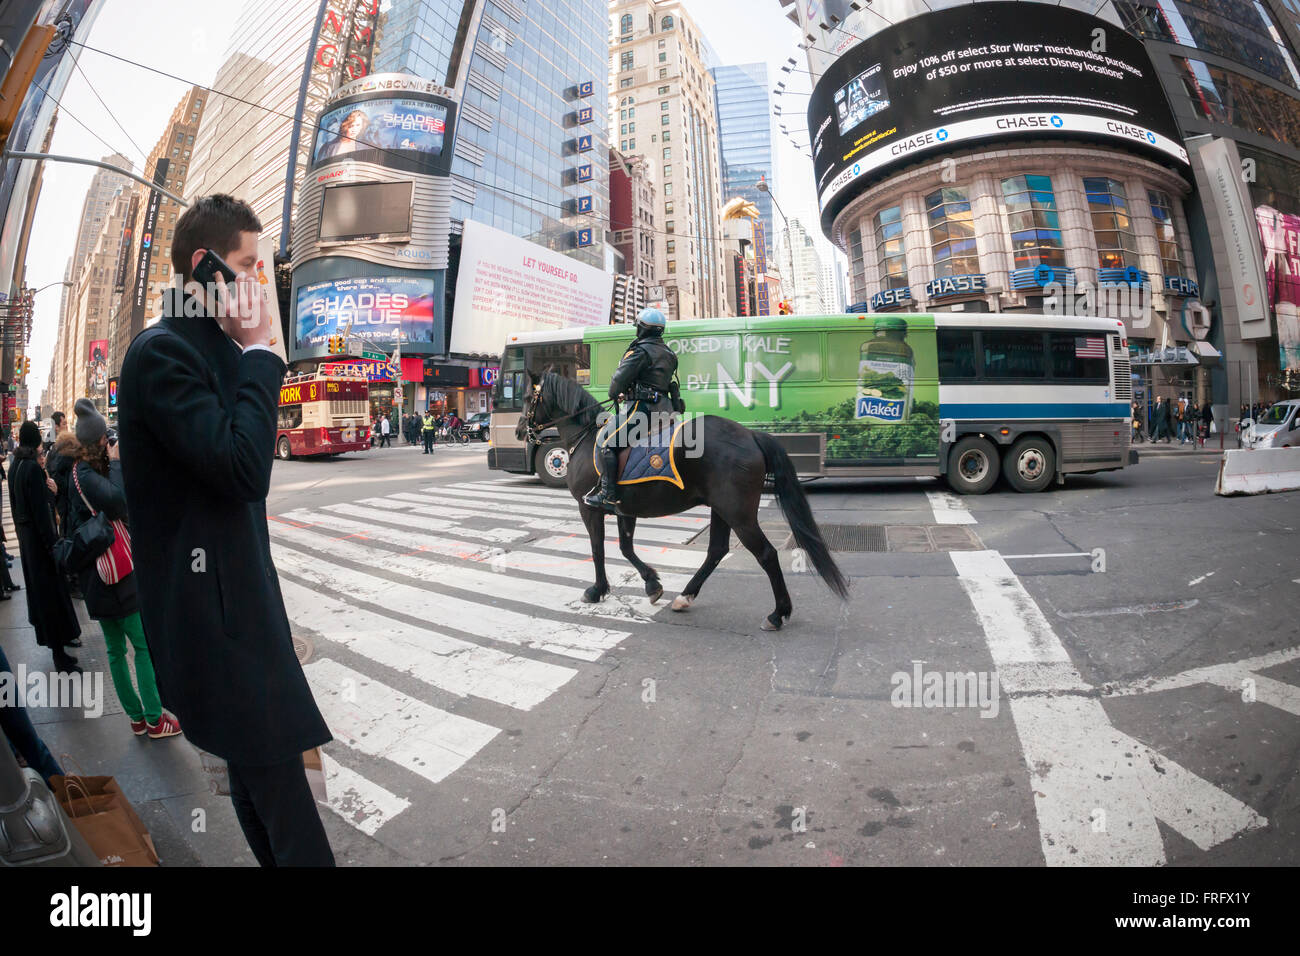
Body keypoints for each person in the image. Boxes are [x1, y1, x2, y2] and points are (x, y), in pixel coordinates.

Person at [117, 193, 333, 866]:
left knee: (259, 779)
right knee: (285, 802)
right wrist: (265, 351)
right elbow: (243, 470)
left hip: (236, 614)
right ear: (205, 268)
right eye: (247, 265)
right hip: (217, 627)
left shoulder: (205, 346)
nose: (258, 282)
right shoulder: (163, 354)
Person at [66, 399, 180, 739]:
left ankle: (136, 718)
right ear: (98, 440)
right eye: (105, 439)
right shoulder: (86, 475)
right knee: (141, 647)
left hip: (94, 576)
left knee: (115, 650)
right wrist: (115, 462)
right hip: (114, 575)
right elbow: (119, 500)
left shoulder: (73, 471)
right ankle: (154, 718)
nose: (108, 442)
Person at [584, 307, 677, 511]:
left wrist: (616, 393)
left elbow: (616, 384)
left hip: (643, 410)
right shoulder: (669, 352)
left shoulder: (640, 352)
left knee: (608, 445)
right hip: (667, 410)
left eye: (638, 327)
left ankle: (608, 495)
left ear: (642, 329)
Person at [7, 421, 81, 673]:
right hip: (42, 547)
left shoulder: (16, 466)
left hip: (29, 545)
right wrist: (54, 544)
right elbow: (42, 511)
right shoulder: (32, 469)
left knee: (44, 599)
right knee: (53, 598)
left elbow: (19, 508)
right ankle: (60, 654)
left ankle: (60, 645)